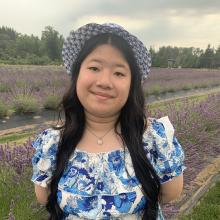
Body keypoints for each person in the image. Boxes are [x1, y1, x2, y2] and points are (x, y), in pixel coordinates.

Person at [31, 23, 186, 220]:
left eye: (119, 73)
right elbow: (45, 198)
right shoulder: (52, 143)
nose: (104, 81)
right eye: (94, 67)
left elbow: (170, 192)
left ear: (132, 84)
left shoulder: (154, 137)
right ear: (77, 74)